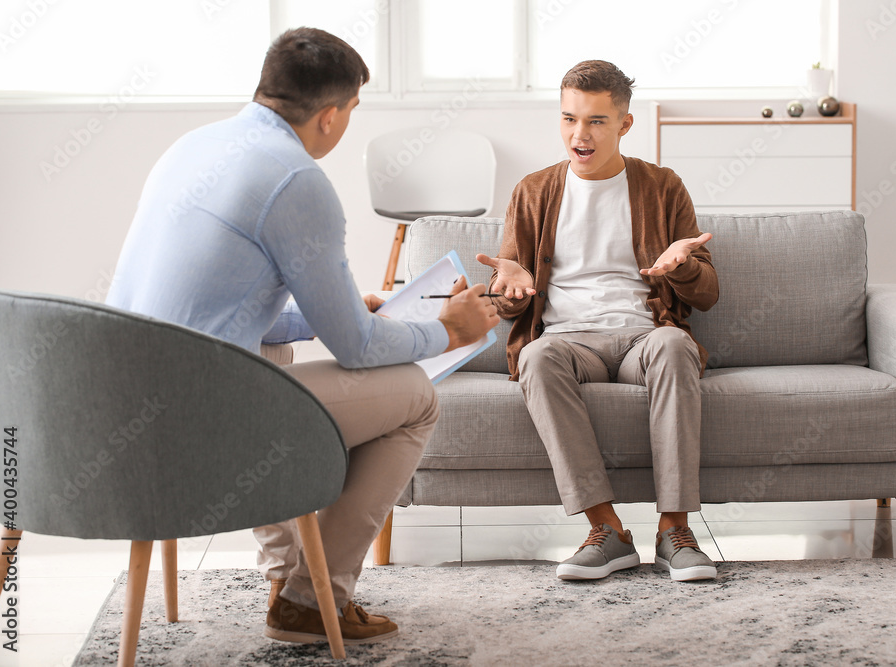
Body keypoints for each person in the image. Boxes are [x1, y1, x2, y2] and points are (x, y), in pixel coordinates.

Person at [106, 28, 498, 645]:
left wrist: (326, 313)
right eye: (352, 114)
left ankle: (288, 577)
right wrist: (447, 331)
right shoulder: (296, 180)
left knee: (276, 346)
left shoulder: (193, 145)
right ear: (330, 116)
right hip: (197, 430)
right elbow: (360, 350)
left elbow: (217, 310)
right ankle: (316, 597)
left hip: (121, 410)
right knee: (415, 398)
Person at [476, 60, 718, 582]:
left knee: (675, 345)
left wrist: (684, 266)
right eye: (568, 119)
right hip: (567, 342)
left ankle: (674, 531)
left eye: (595, 122)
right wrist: (510, 290)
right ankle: (606, 531)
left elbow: (707, 296)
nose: (578, 135)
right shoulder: (533, 192)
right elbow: (511, 301)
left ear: (624, 125)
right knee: (536, 358)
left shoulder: (662, 186)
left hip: (642, 338)